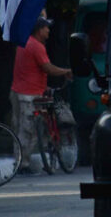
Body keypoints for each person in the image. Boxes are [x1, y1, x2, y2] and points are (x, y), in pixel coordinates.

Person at [11, 17, 72, 172]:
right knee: (27, 130)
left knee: (21, 129)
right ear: (39, 30)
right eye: (46, 28)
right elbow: (48, 68)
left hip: (20, 91)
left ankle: (20, 160)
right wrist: (65, 71)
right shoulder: (36, 46)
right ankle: (22, 164)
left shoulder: (25, 43)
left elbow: (32, 69)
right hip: (28, 94)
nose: (49, 31)